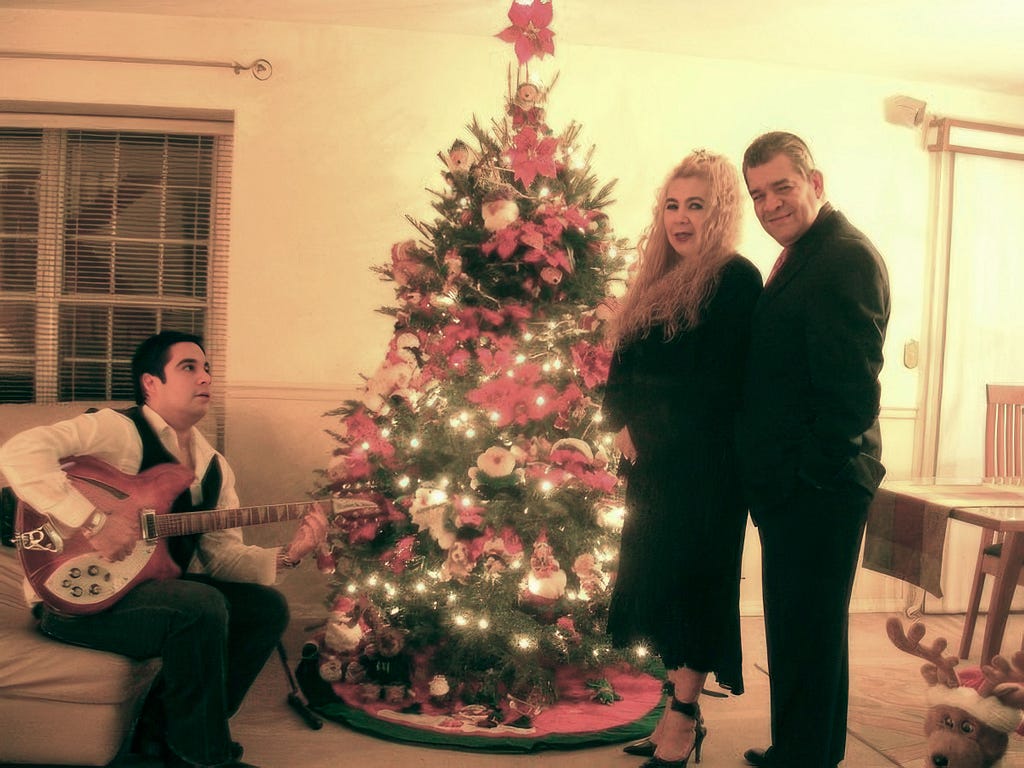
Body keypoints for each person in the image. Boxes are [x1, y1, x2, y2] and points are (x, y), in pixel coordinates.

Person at [0, 330, 328, 768]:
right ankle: (203, 757)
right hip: (73, 600)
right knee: (200, 604)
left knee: (265, 607)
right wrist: (95, 521)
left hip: (147, 593)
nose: (205, 377)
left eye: (207, 367)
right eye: (188, 367)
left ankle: (162, 730)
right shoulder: (116, 430)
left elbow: (224, 559)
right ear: (151, 383)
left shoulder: (213, 467)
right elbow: (20, 452)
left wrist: (291, 554)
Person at [602, 150, 763, 768]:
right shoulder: (655, 278)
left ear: (718, 211)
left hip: (705, 474)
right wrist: (619, 422)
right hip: (650, 472)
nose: (680, 217)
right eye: (672, 204)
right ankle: (676, 704)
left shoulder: (734, 279)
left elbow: (722, 387)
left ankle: (683, 717)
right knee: (660, 588)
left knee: (696, 588)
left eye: (696, 205)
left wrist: (654, 430)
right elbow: (622, 367)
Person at [736, 132, 890, 768]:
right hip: (796, 484)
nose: (769, 204)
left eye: (782, 187)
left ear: (815, 183)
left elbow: (851, 393)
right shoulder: (807, 252)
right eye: (758, 195)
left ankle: (804, 756)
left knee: (809, 628)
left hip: (818, 487)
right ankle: (805, 749)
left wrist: (808, 478)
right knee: (805, 630)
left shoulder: (843, 257)